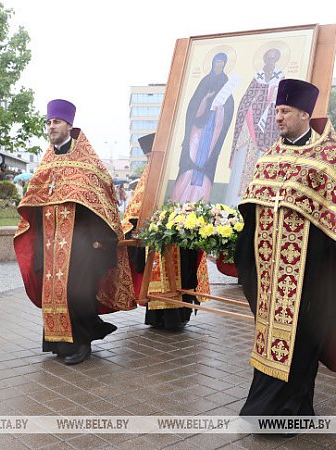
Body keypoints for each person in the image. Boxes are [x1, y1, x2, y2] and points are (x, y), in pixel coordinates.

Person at [235, 79, 336, 416]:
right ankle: (266, 407)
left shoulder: (329, 158)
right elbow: (252, 210)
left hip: (311, 277)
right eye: (276, 111)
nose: (278, 117)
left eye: (285, 111)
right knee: (268, 337)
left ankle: (289, 410)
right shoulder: (269, 157)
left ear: (305, 114)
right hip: (271, 274)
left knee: (302, 342)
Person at [14, 99, 136, 365]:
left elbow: (102, 201)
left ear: (69, 124)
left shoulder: (88, 162)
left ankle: (81, 343)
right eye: (48, 123)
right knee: (53, 292)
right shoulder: (45, 163)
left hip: (82, 243)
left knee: (77, 293)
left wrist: (98, 242)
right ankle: (60, 344)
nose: (51, 127)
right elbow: (34, 201)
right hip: (50, 240)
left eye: (56, 122)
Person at [122, 133, 211, 330]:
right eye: (147, 158)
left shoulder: (177, 176)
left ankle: (178, 316)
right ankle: (157, 318)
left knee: (179, 277)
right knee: (154, 281)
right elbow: (134, 209)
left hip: (178, 240)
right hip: (153, 241)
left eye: (153, 156)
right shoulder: (146, 179)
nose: (150, 161)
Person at [172, 52, 236, 203]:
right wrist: (205, 101)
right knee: (193, 155)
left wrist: (220, 109)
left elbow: (229, 105)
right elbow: (193, 106)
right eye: (217, 62)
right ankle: (182, 194)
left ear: (225, 64)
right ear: (213, 63)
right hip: (198, 127)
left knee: (206, 157)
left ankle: (201, 197)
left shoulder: (225, 82)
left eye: (222, 63)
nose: (219, 65)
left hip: (214, 128)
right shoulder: (205, 81)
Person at [225, 47, 284, 205]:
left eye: (273, 58)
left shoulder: (279, 77)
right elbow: (246, 99)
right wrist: (251, 107)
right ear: (264, 60)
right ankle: (234, 200)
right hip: (248, 124)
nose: (270, 61)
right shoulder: (257, 77)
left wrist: (269, 107)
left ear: (276, 60)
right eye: (268, 58)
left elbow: (279, 105)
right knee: (241, 158)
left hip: (266, 130)